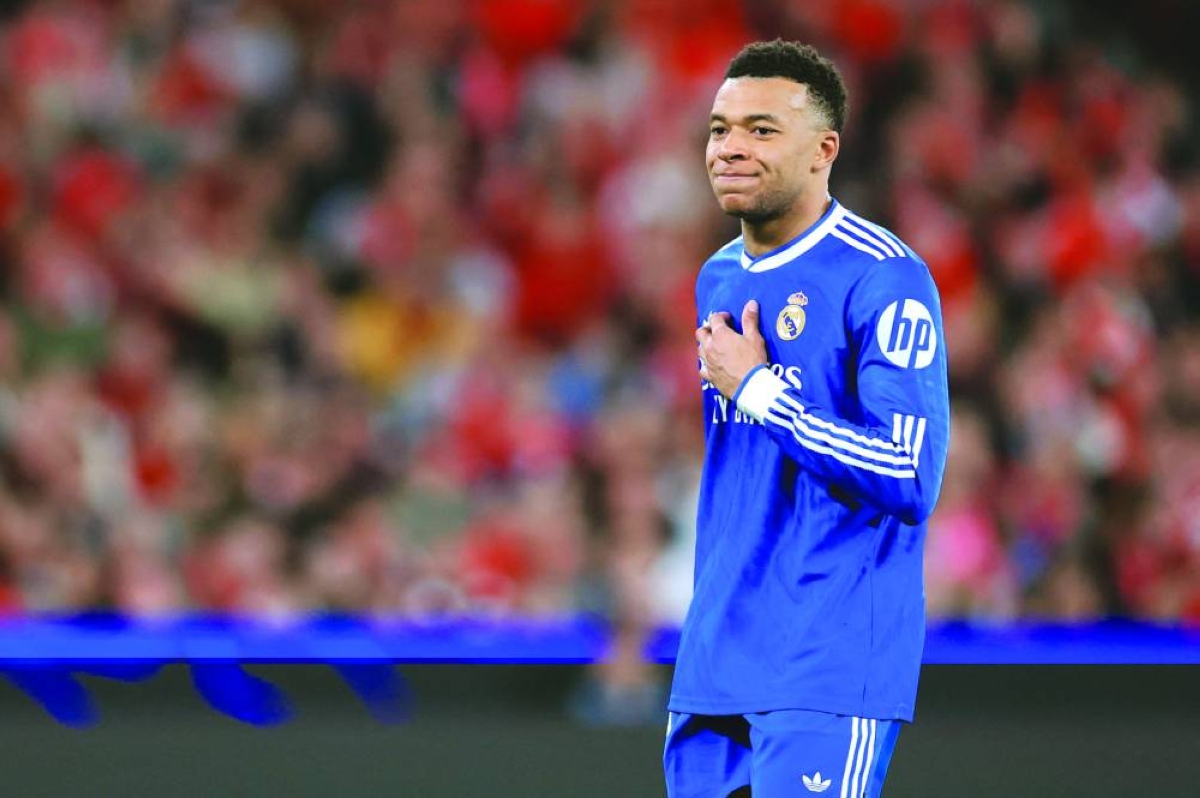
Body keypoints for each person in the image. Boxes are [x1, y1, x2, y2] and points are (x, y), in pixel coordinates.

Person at [664, 40, 950, 798]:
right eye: (720, 129)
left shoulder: (884, 276)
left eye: (761, 130)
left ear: (825, 150)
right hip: (716, 656)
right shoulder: (718, 277)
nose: (729, 148)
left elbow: (909, 474)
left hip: (827, 655)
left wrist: (761, 391)